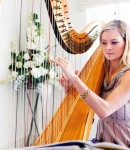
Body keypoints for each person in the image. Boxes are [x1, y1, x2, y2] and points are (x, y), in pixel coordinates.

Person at [50, 19, 130, 148]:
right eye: (104, 43)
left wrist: (76, 80)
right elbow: (86, 107)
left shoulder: (128, 74)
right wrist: (70, 87)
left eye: (114, 42)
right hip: (103, 139)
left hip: (123, 142)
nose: (108, 47)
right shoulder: (102, 68)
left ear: (126, 43)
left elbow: (104, 110)